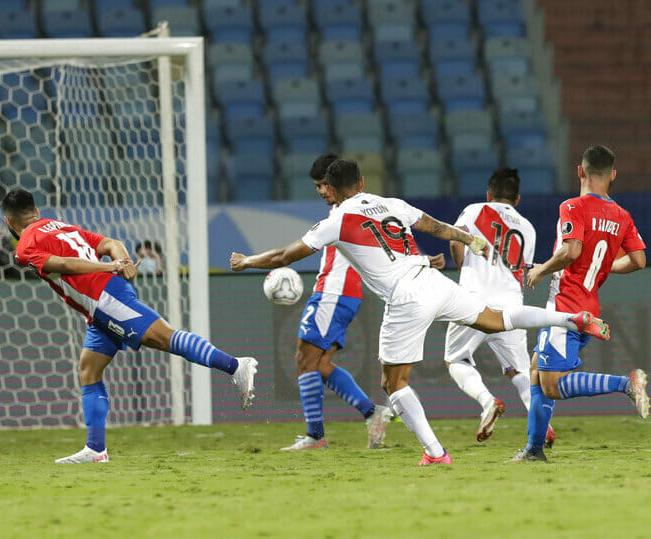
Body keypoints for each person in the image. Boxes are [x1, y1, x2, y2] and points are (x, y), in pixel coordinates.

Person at [231, 159, 610, 466]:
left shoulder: (336, 220)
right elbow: (436, 227)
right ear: (362, 181)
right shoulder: (392, 203)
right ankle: (570, 319)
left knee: (393, 384)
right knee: (499, 318)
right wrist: (468, 239)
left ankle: (435, 453)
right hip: (435, 281)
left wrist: (247, 261)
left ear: (331, 190)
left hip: (405, 296)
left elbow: (284, 256)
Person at [1, 188, 257, 464]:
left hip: (104, 298)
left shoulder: (25, 245)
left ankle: (236, 366)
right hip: (100, 304)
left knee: (164, 338)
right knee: (89, 369)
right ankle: (95, 450)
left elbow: (64, 264)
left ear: (8, 222)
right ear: (36, 212)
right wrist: (121, 262)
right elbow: (112, 243)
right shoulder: (61, 226)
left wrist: (109, 268)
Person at [512, 145, 648, 462]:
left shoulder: (573, 206)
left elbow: (572, 252)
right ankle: (533, 450)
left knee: (550, 385)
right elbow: (639, 260)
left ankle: (625, 384)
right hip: (589, 306)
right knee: (536, 372)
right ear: (612, 176)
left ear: (580, 171)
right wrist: (606, 267)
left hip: (565, 306)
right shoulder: (623, 216)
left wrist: (542, 269)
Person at [280, 153, 395, 452]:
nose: (321, 191)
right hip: (344, 292)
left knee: (305, 360)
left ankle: (316, 436)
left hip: (334, 291)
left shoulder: (345, 212)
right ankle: (372, 413)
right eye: (317, 186)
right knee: (318, 363)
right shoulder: (354, 209)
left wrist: (251, 261)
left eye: (324, 184)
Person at [444, 167, 553, 444]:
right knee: (519, 371)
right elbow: (520, 270)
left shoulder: (475, 209)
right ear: (517, 199)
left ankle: (487, 401)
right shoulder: (527, 228)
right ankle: (542, 424)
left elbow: (456, 237)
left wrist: (463, 266)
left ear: (489, 194)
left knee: (456, 359)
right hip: (510, 305)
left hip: (474, 300)